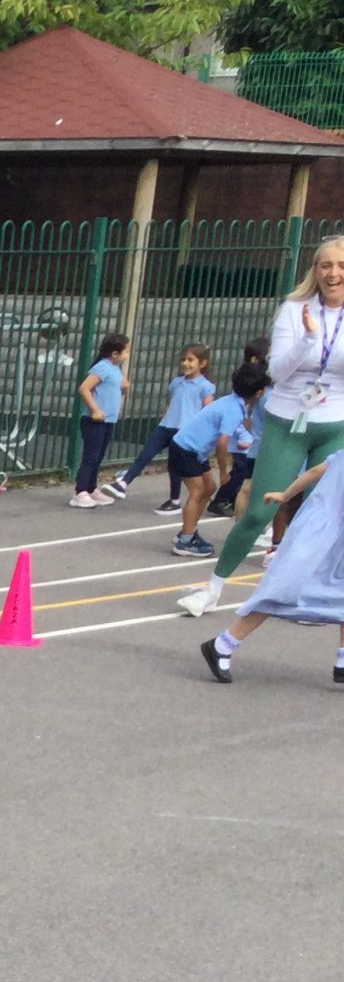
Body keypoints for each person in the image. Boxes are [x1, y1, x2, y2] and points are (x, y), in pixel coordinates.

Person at [180, 236, 344, 617]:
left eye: (341, 266)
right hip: (288, 422)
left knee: (322, 514)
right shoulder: (294, 309)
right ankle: (212, 589)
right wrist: (308, 340)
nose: (333, 273)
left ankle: (310, 596)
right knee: (259, 511)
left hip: (334, 423)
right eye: (326, 265)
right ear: (315, 270)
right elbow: (278, 372)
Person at [198, 462, 344, 685]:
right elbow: (316, 472)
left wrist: (285, 495)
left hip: (329, 534)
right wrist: (285, 496)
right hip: (321, 535)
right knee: (281, 591)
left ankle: (343, 661)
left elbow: (315, 472)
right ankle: (223, 643)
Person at [168, 361, 268, 561]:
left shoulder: (232, 402)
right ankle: (185, 541)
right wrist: (223, 471)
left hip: (194, 450)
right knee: (197, 491)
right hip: (185, 449)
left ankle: (189, 530)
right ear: (258, 393)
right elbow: (222, 443)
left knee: (209, 488)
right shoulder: (234, 409)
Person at [108, 344, 215, 511]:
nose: (185, 363)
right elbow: (174, 402)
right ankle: (123, 483)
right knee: (145, 454)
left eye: (190, 360)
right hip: (166, 426)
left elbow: (207, 411)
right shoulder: (176, 382)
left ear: (202, 363)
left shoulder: (205, 386)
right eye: (183, 359)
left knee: (174, 465)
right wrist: (166, 413)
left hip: (184, 431)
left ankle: (174, 500)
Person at [206, 336, 272, 520]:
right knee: (243, 476)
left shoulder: (257, 386)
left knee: (242, 476)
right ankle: (222, 501)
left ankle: (226, 501)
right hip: (248, 442)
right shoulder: (258, 387)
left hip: (248, 439)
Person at [68, 332, 130, 507]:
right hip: (94, 421)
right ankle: (80, 491)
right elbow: (84, 388)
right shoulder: (102, 367)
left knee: (99, 456)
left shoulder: (115, 369)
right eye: (126, 351)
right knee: (91, 456)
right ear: (115, 353)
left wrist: (124, 388)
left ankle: (91, 488)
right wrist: (95, 410)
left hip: (108, 420)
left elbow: (113, 392)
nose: (127, 355)